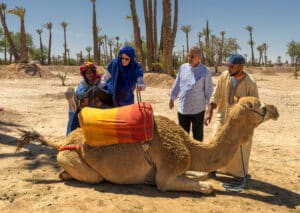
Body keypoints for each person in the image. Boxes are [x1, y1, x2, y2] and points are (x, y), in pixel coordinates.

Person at [204, 53, 259, 178]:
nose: (228, 68)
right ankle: (212, 168)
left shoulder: (250, 82)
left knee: (239, 146)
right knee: (215, 141)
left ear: (240, 67)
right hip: (223, 116)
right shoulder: (224, 76)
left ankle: (238, 173)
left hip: (240, 123)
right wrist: (209, 111)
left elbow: (255, 104)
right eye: (227, 65)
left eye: (231, 66)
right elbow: (216, 95)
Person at [169, 46, 213, 141]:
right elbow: (177, 83)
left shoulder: (205, 71)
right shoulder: (183, 68)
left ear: (199, 58)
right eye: (188, 55)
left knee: (197, 138)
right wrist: (172, 98)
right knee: (183, 138)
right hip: (183, 109)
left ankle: (197, 156)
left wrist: (209, 110)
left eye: (192, 56)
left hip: (198, 110)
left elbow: (209, 92)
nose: (189, 58)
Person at [66, 62, 101, 135]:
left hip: (95, 104)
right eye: (87, 73)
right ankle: (70, 136)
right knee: (73, 114)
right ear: (84, 74)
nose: (89, 75)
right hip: (82, 104)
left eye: (91, 72)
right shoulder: (83, 83)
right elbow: (80, 94)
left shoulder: (100, 81)